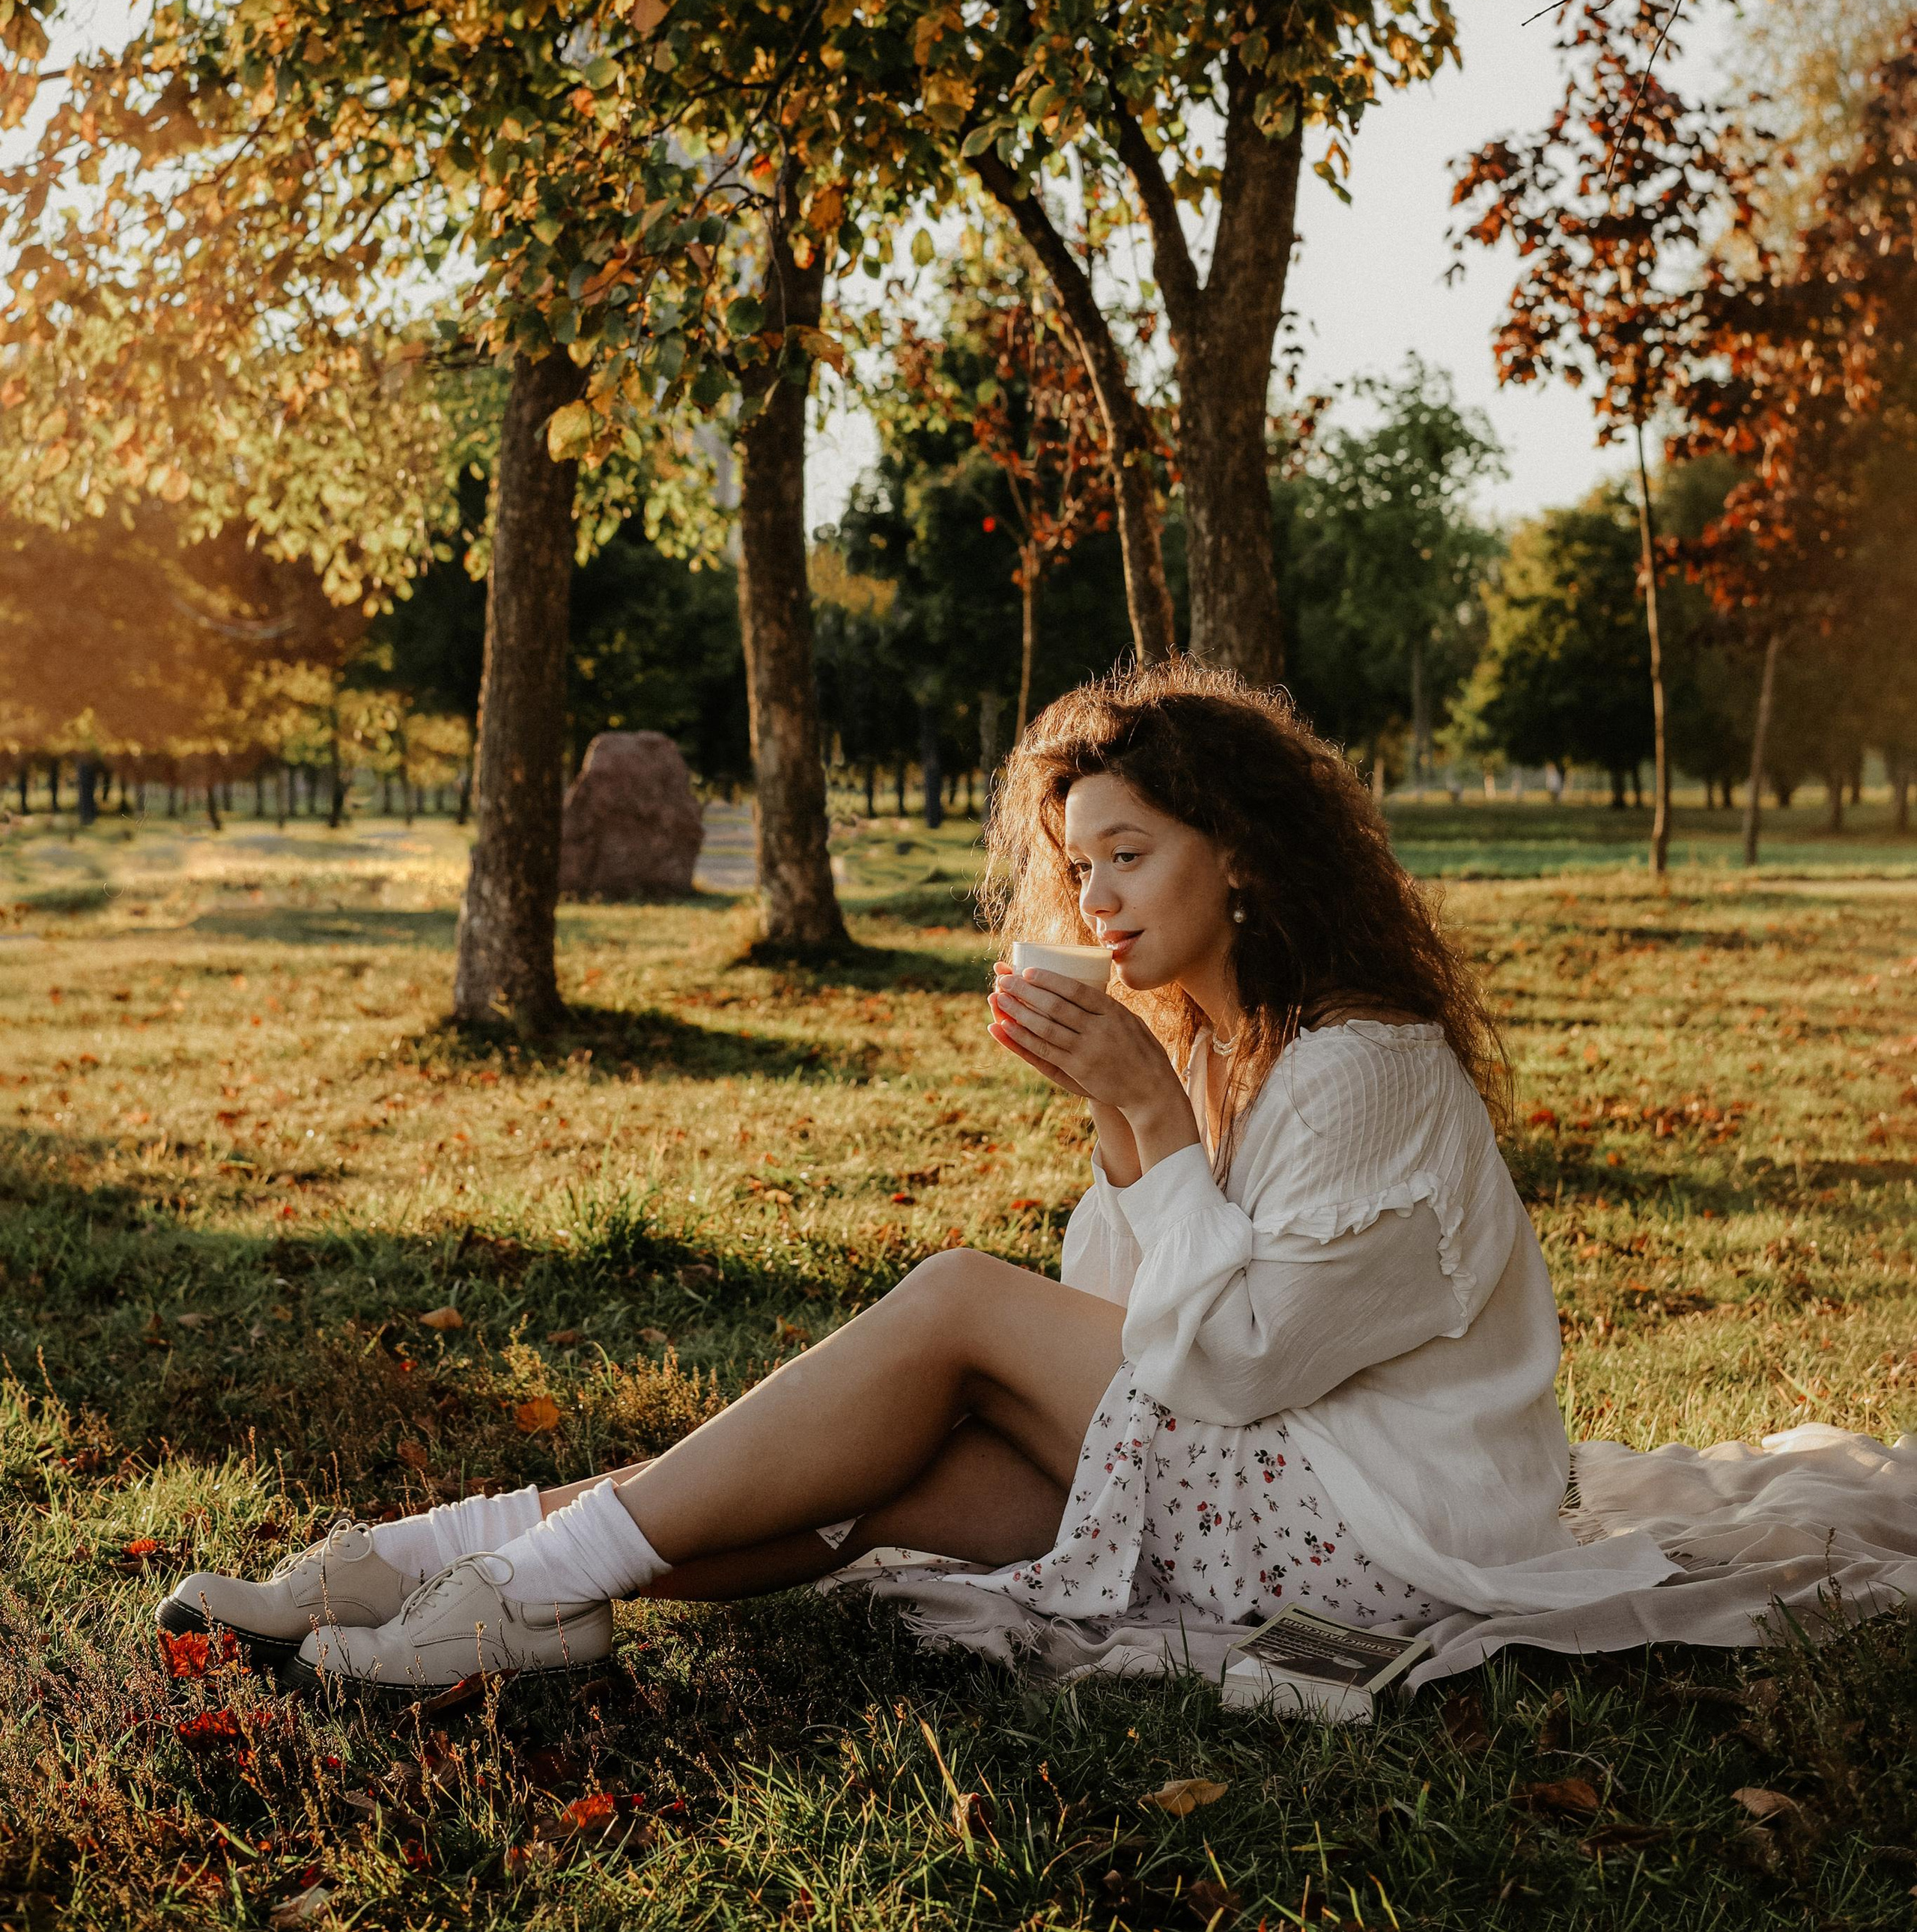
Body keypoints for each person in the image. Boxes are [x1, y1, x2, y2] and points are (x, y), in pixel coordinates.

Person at [160, 659, 1673, 1695]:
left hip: (1377, 1531)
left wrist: (1136, 1098)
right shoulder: (1210, 1051)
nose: (1091, 896)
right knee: (902, 1486)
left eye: (1128, 856)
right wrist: (1126, 1119)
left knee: (952, 1304)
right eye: (1077, 864)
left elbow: (1232, 1366)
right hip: (1246, 1471)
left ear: (1244, 861)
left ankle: (502, 1583)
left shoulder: (1363, 1068)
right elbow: (1118, 1319)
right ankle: (466, 1578)